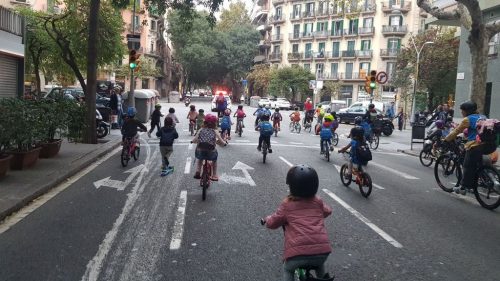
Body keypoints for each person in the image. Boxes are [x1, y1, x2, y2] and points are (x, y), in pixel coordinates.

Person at [263, 165, 332, 281]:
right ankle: (323, 278)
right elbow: (328, 211)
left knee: (288, 269)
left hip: (297, 255)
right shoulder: (318, 201)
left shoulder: (287, 205)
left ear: (292, 186)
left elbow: (273, 222)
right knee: (319, 265)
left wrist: (266, 220)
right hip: (322, 251)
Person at [444, 100, 496, 194]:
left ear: (467, 111)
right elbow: (477, 131)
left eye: (462, 110)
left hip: (476, 146)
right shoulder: (483, 116)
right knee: (477, 164)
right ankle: (483, 178)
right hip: (490, 145)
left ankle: (464, 188)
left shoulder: (467, 119)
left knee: (467, 166)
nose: (461, 112)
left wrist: (446, 139)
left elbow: (456, 131)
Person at [191, 114, 227, 181]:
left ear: (204, 122)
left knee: (200, 159)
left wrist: (192, 141)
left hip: (201, 149)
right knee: (214, 160)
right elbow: (220, 140)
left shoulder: (201, 129)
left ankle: (198, 171)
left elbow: (195, 139)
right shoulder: (215, 131)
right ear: (215, 123)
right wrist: (224, 143)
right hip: (211, 151)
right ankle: (214, 175)